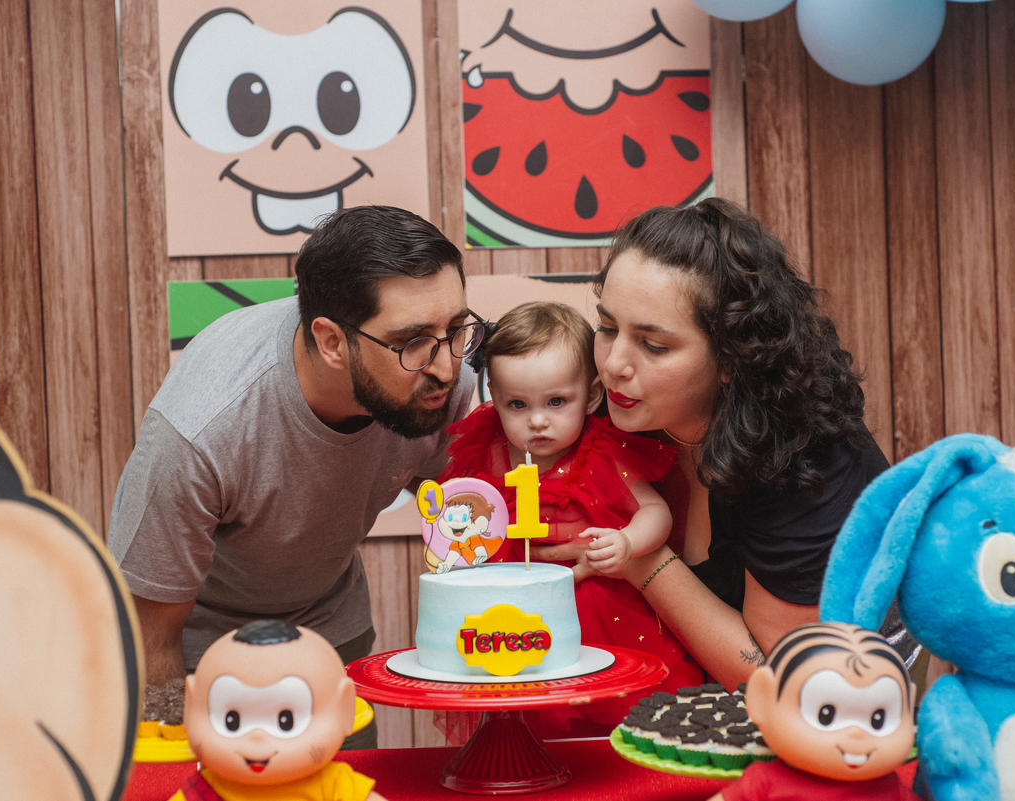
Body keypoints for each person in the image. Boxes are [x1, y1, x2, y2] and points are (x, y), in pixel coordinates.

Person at [108, 206, 480, 748]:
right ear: (331, 342)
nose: (448, 367)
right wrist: (172, 758)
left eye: (456, 329)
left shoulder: (439, 384)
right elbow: (149, 633)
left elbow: (468, 521)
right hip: (200, 650)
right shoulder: (202, 430)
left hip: (329, 621)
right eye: (412, 342)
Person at [533, 198, 894, 690]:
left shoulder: (805, 460)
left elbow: (783, 678)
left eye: (654, 345)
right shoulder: (609, 408)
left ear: (732, 358)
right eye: (608, 328)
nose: (614, 364)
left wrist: (642, 560)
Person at [438, 301, 702, 731]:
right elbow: (458, 522)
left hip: (599, 611)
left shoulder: (601, 452)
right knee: (525, 721)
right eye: (517, 404)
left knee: (611, 718)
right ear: (495, 399)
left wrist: (628, 542)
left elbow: (656, 511)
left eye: (557, 401)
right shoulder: (486, 454)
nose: (538, 421)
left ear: (592, 396)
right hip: (512, 616)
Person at [173, 620, 386, 801]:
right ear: (189, 712)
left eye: (286, 721)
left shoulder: (334, 784)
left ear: (345, 712)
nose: (257, 737)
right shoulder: (202, 789)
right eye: (232, 721)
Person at [708, 622, 920, 800]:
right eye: (826, 715)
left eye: (878, 719)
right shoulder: (765, 781)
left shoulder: (892, 788)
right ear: (761, 700)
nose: (856, 733)